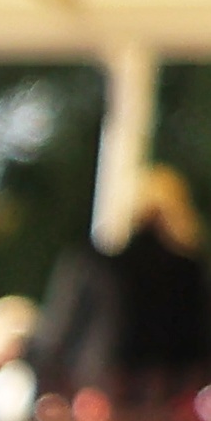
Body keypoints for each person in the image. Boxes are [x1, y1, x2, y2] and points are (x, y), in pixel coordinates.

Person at [36, 169, 211, 397]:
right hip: (167, 398)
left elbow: (61, 331)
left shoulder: (99, 267)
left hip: (101, 392)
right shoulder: (190, 272)